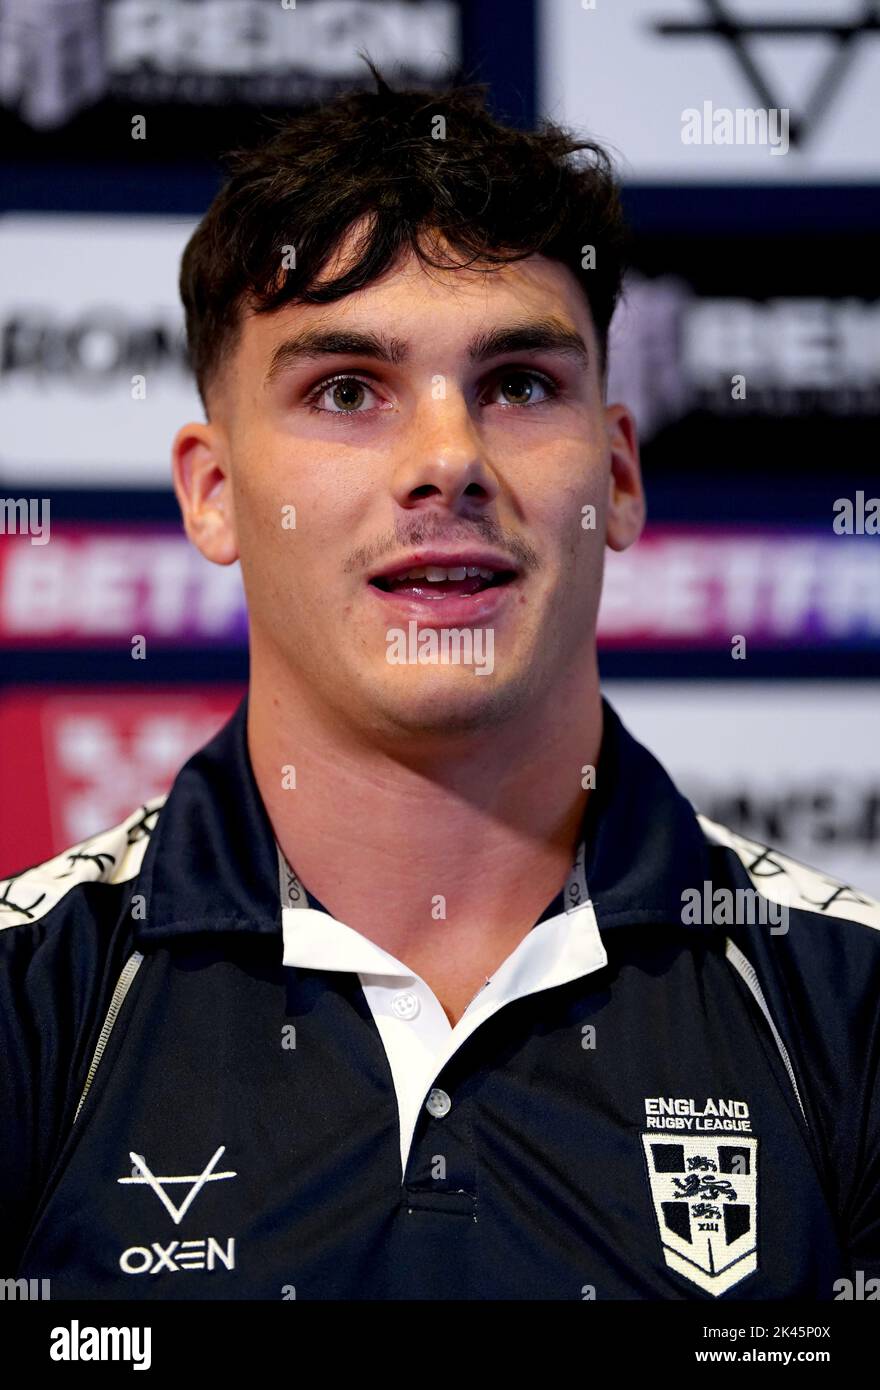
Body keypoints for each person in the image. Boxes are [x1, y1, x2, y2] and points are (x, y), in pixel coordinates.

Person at [2, 64, 878, 1302]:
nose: (448, 460)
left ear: (618, 475)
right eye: (346, 390)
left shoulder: (847, 1010)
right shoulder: (35, 1008)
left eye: (518, 384)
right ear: (212, 492)